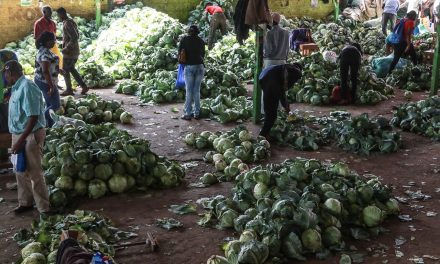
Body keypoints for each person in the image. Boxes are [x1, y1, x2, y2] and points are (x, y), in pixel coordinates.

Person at [2, 60, 50, 215]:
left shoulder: (27, 87)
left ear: (10, 73)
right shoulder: (15, 88)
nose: (4, 77)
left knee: (34, 172)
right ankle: (26, 202)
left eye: (5, 74)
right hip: (19, 135)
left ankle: (44, 208)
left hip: (30, 135)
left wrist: (21, 140)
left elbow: (33, 117)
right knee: (20, 170)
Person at [259, 63, 303, 139]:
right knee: (271, 113)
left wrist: (285, 104)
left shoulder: (285, 67)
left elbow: (282, 89)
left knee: (270, 107)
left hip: (263, 78)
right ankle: (262, 135)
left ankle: (265, 133)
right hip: (270, 79)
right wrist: (286, 106)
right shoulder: (296, 72)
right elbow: (281, 91)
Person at [56, 7, 89, 96]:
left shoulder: (67, 23)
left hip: (70, 52)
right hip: (73, 51)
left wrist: (66, 47)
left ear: (62, 14)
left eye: (58, 15)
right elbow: (75, 35)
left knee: (65, 69)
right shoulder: (70, 22)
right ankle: (84, 86)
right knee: (71, 69)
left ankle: (69, 89)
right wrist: (62, 40)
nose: (58, 17)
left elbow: (74, 37)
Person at [178, 25, 205, 120]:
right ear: (197, 32)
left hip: (189, 67)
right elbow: (203, 54)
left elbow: (180, 53)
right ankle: (197, 113)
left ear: (189, 32)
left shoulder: (184, 40)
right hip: (200, 67)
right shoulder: (201, 41)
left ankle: (187, 114)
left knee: (189, 91)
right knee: (196, 90)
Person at [34, 32, 61, 127]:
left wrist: (59, 70)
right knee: (56, 105)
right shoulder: (45, 54)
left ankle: (49, 125)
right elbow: (45, 71)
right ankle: (40, 122)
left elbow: (49, 66)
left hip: (41, 80)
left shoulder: (44, 50)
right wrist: (51, 86)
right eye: (53, 40)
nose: (54, 42)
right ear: (47, 41)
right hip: (46, 82)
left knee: (49, 103)